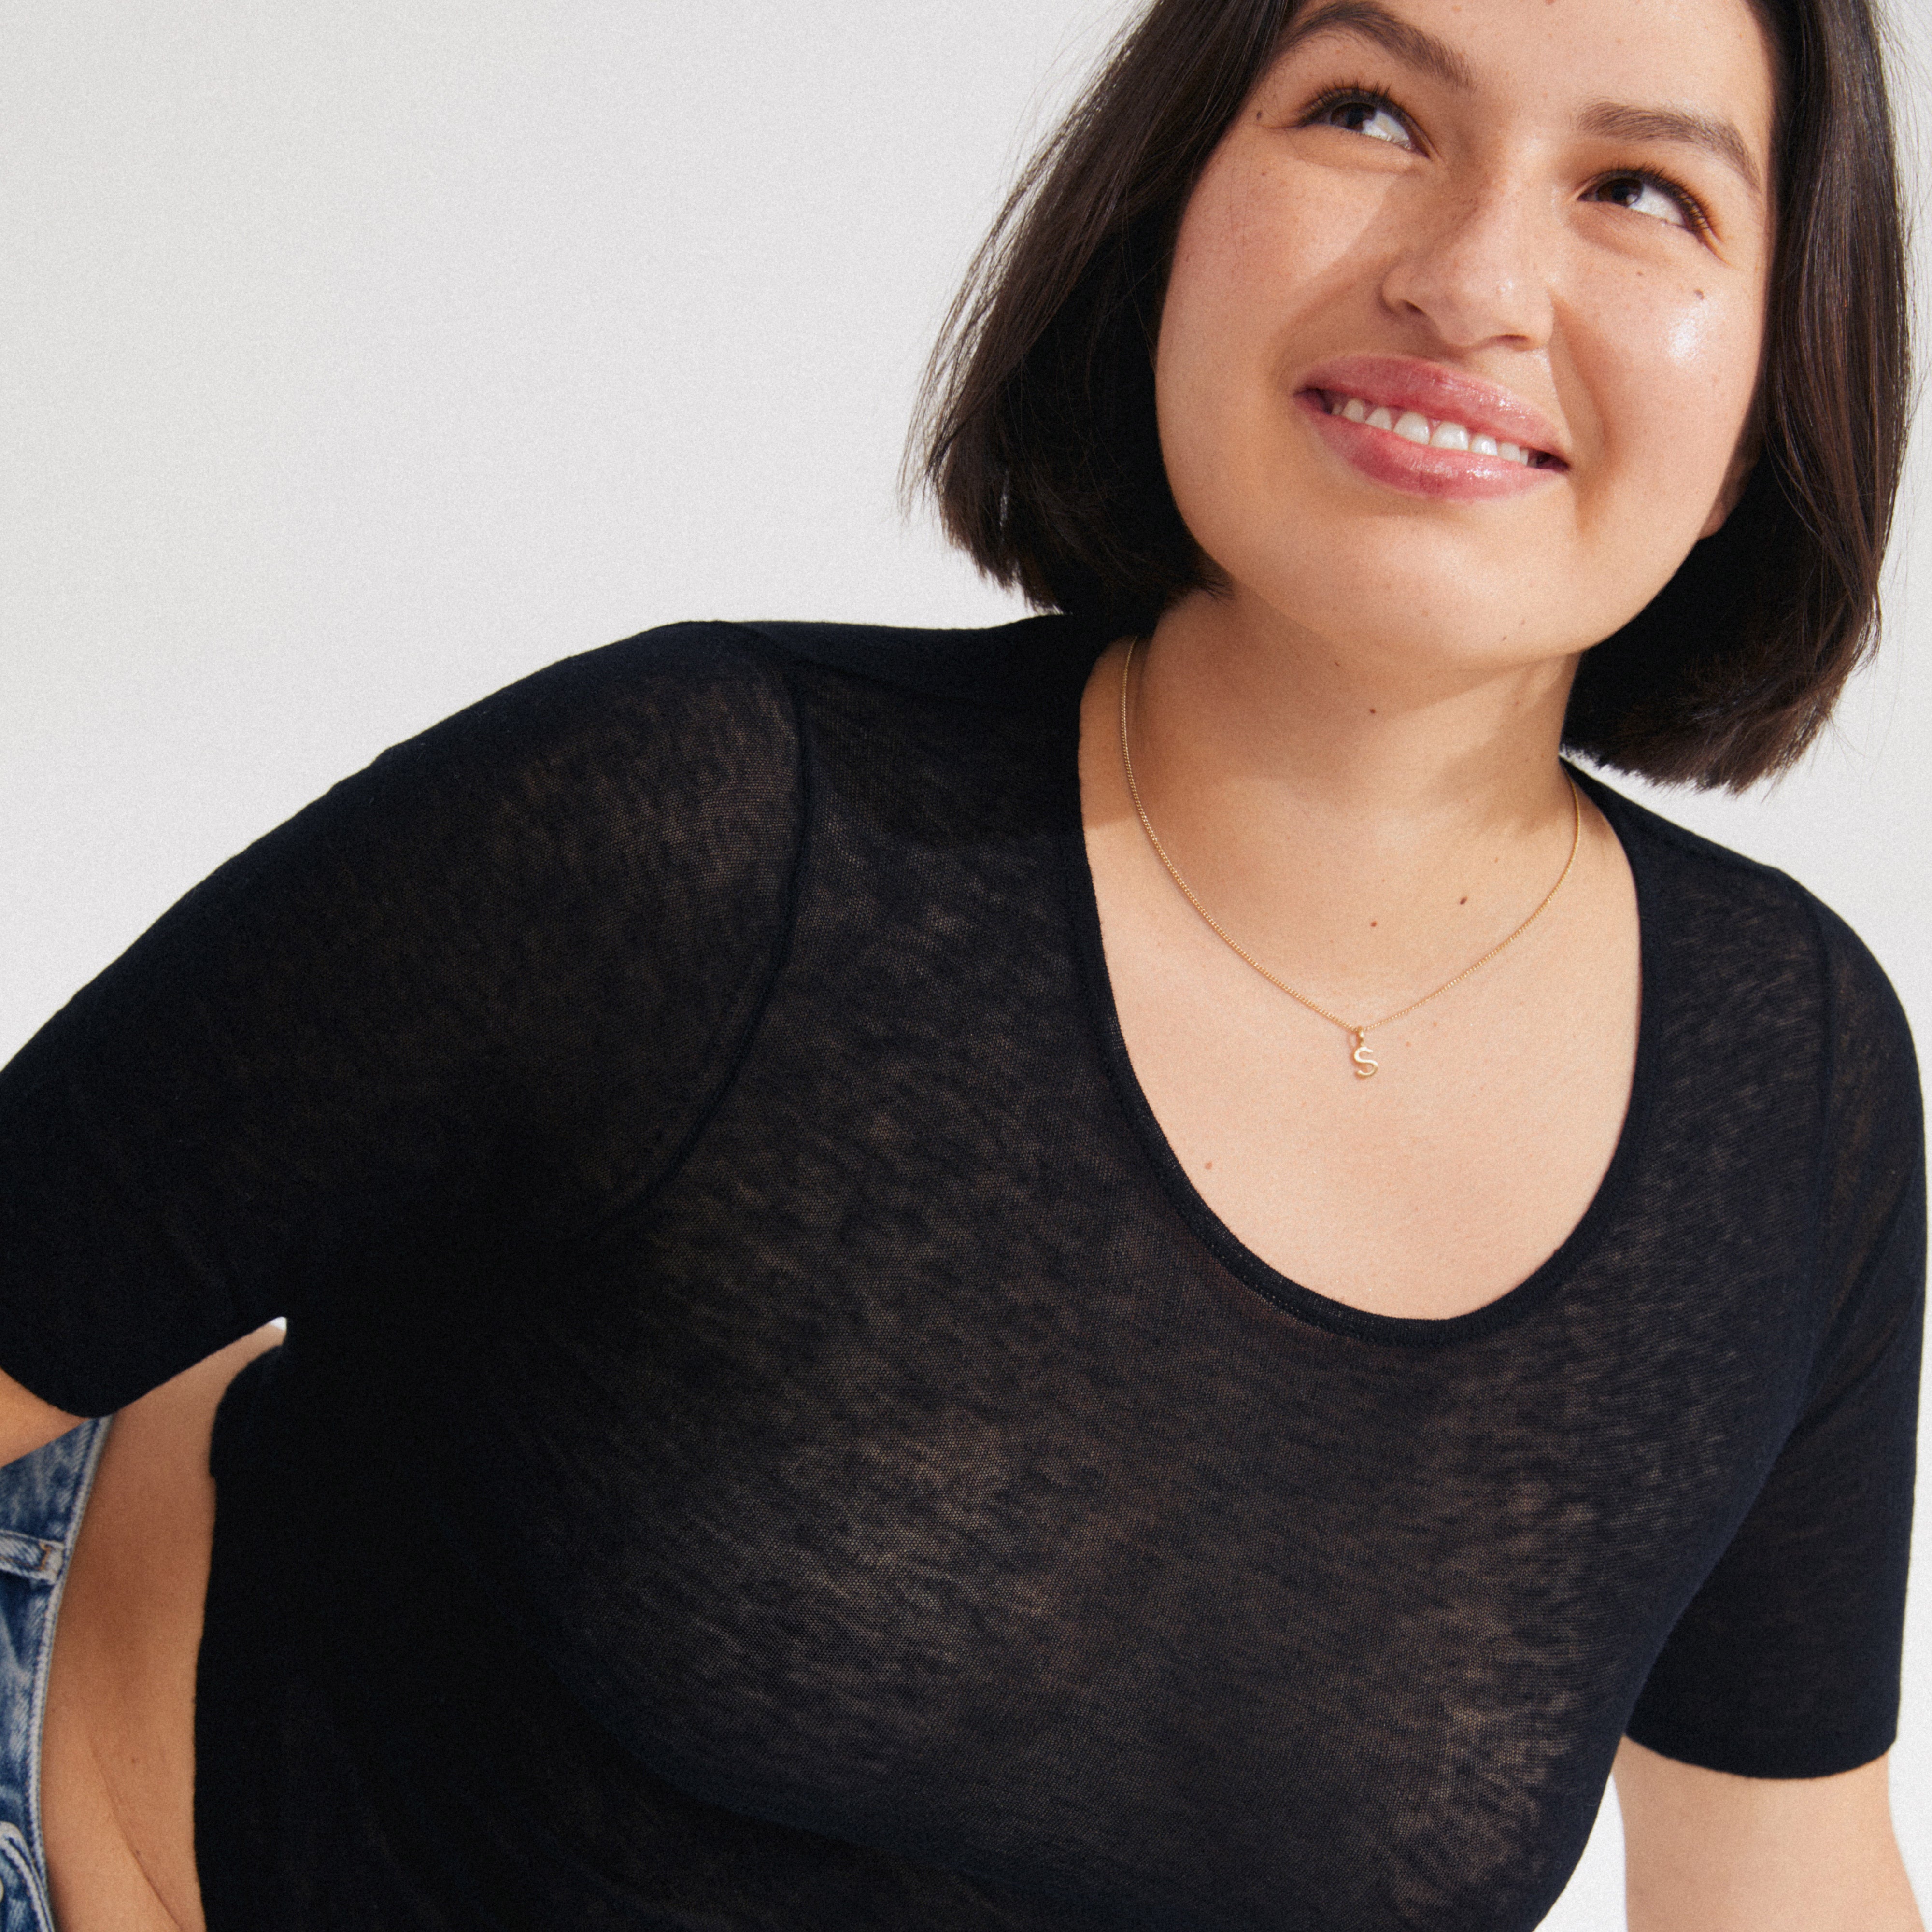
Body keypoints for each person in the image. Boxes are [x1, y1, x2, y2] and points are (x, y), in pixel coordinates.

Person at [0, 0, 1921, 1924]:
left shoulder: (1789, 1089)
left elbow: (1778, 1878)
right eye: (1366, 109)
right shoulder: (702, 817)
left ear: (1775, 368)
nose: (1473, 277)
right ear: (1173, 202)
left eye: (1640, 188)